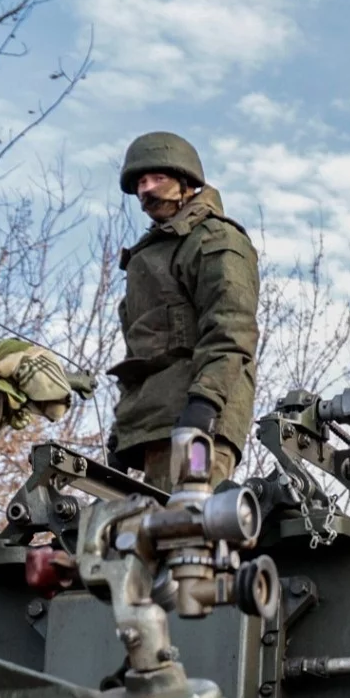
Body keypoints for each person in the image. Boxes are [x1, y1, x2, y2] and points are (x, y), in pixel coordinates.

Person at [107, 131, 259, 486]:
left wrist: (204, 404)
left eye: (158, 178)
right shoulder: (147, 256)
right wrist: (122, 430)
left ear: (186, 181)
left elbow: (231, 329)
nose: (147, 189)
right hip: (151, 425)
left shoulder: (215, 239)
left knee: (188, 527)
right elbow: (141, 354)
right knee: (138, 535)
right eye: (141, 182)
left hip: (198, 423)